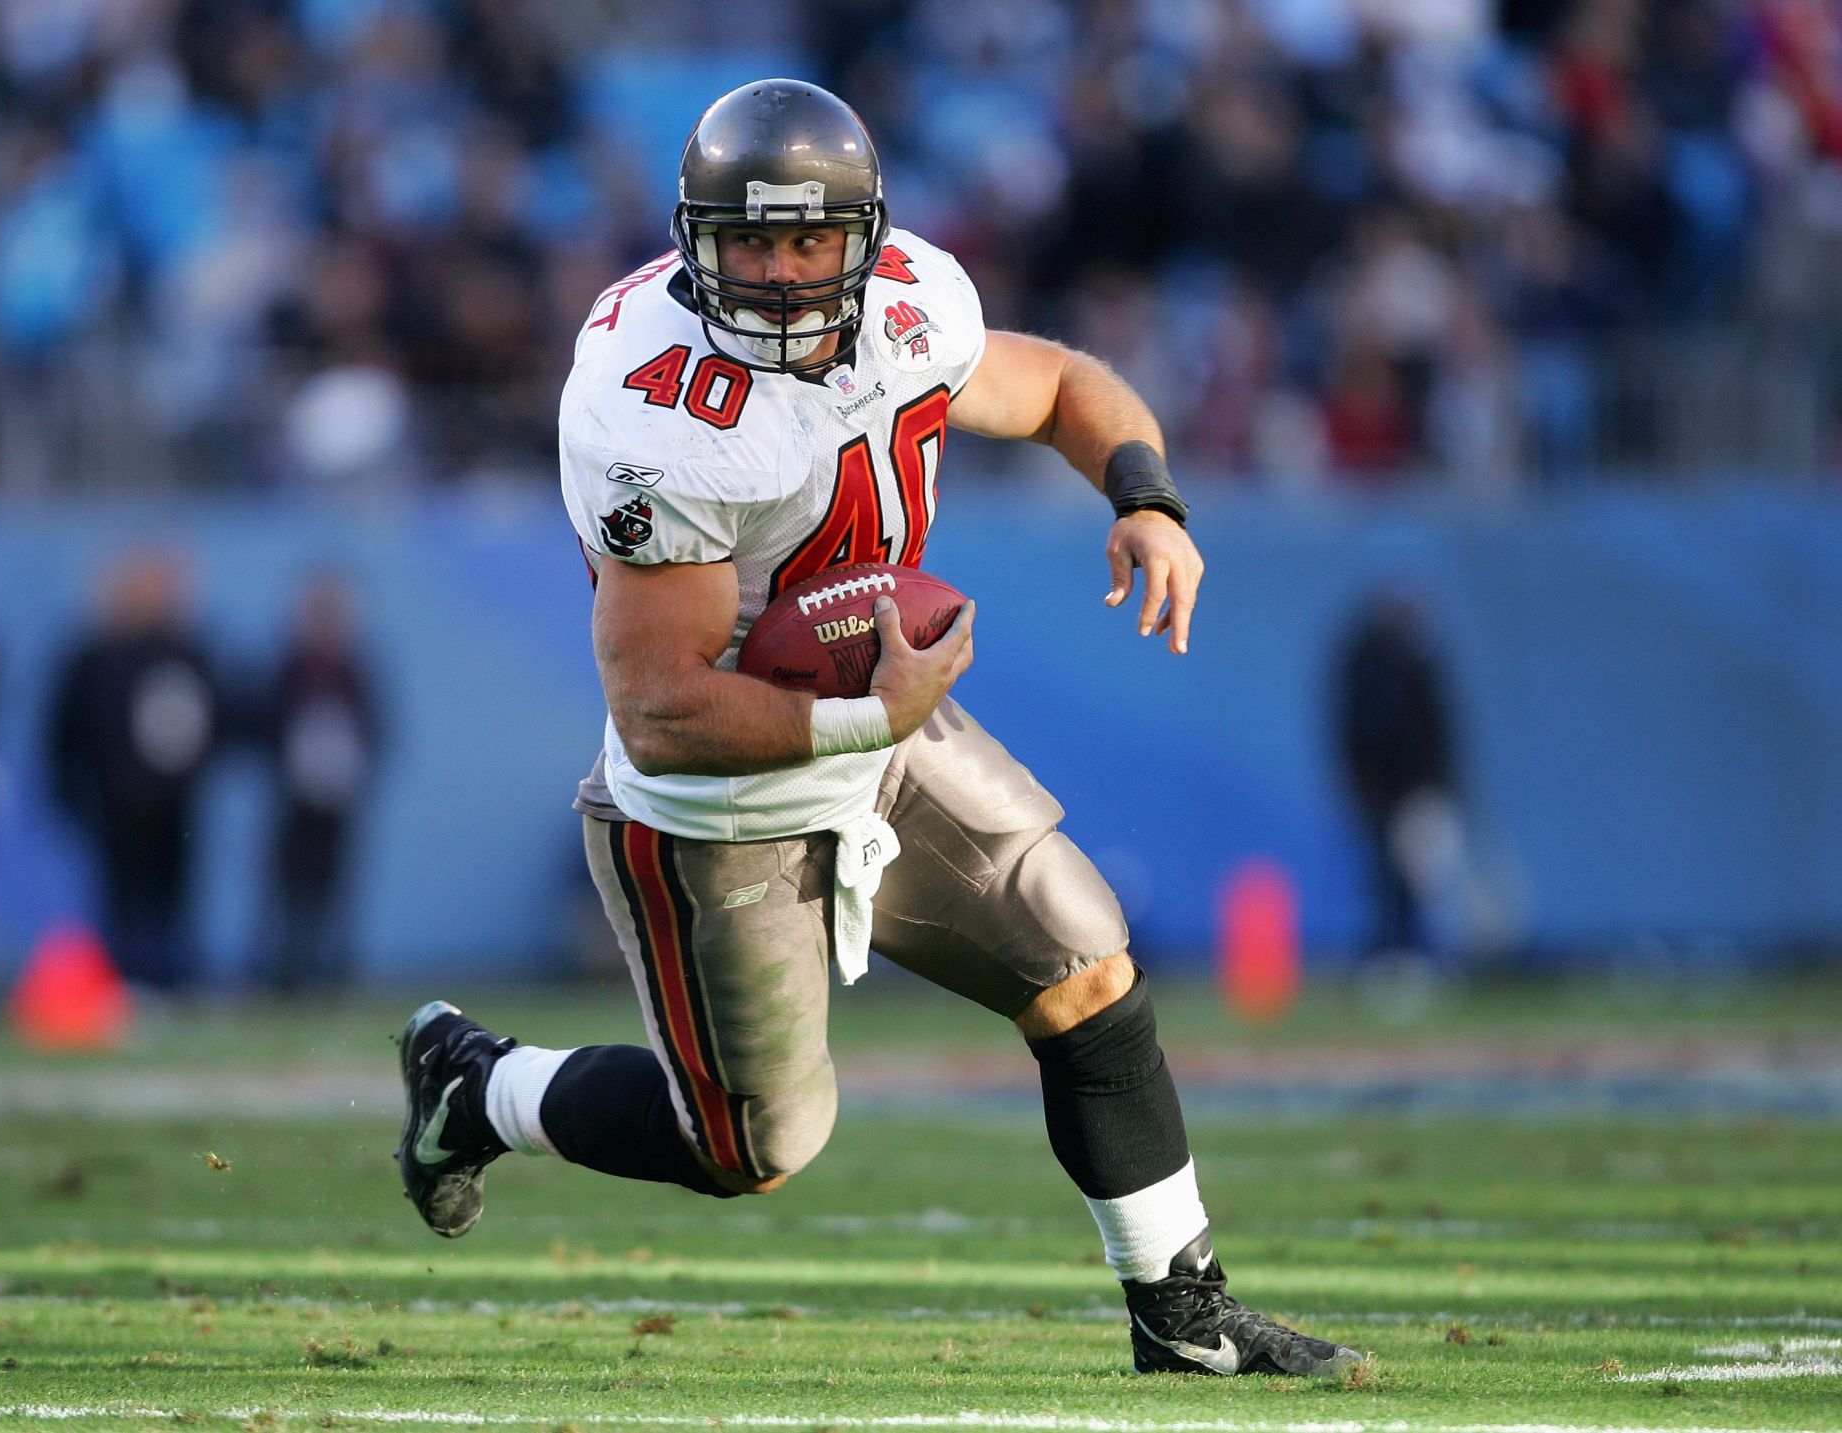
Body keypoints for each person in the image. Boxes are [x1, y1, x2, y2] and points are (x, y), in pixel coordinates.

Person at [393, 80, 1362, 1380]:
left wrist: (1147, 495)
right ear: (696, 242)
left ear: (864, 237)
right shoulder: (651, 403)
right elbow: (662, 708)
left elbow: (1064, 382)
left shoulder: (912, 299)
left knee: (1082, 962)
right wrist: (865, 712)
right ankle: (477, 1084)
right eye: (752, 243)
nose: (784, 276)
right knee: (755, 1145)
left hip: (879, 718)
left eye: (808, 242)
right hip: (721, 797)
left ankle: (1182, 1318)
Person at [45, 550, 219, 995]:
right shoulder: (96, 655)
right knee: (121, 901)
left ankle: (174, 982)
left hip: (173, 805)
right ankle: (123, 984)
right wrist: (69, 791)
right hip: (116, 804)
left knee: (173, 900)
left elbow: (215, 720)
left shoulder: (188, 651)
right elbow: (67, 729)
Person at [256, 572, 381, 996]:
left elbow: (376, 729)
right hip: (293, 798)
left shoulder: (353, 670)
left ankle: (330, 970)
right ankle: (284, 970)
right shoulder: (289, 668)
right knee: (287, 885)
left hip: (340, 799)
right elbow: (265, 726)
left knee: (335, 887)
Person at [1332, 589, 1463, 971]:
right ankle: (1391, 951)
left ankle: (1420, 951)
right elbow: (1359, 730)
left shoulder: (1419, 665)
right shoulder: (1367, 664)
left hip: (1416, 790)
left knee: (1420, 877)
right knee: (1384, 875)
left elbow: (1437, 732)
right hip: (1381, 791)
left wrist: (1436, 782)